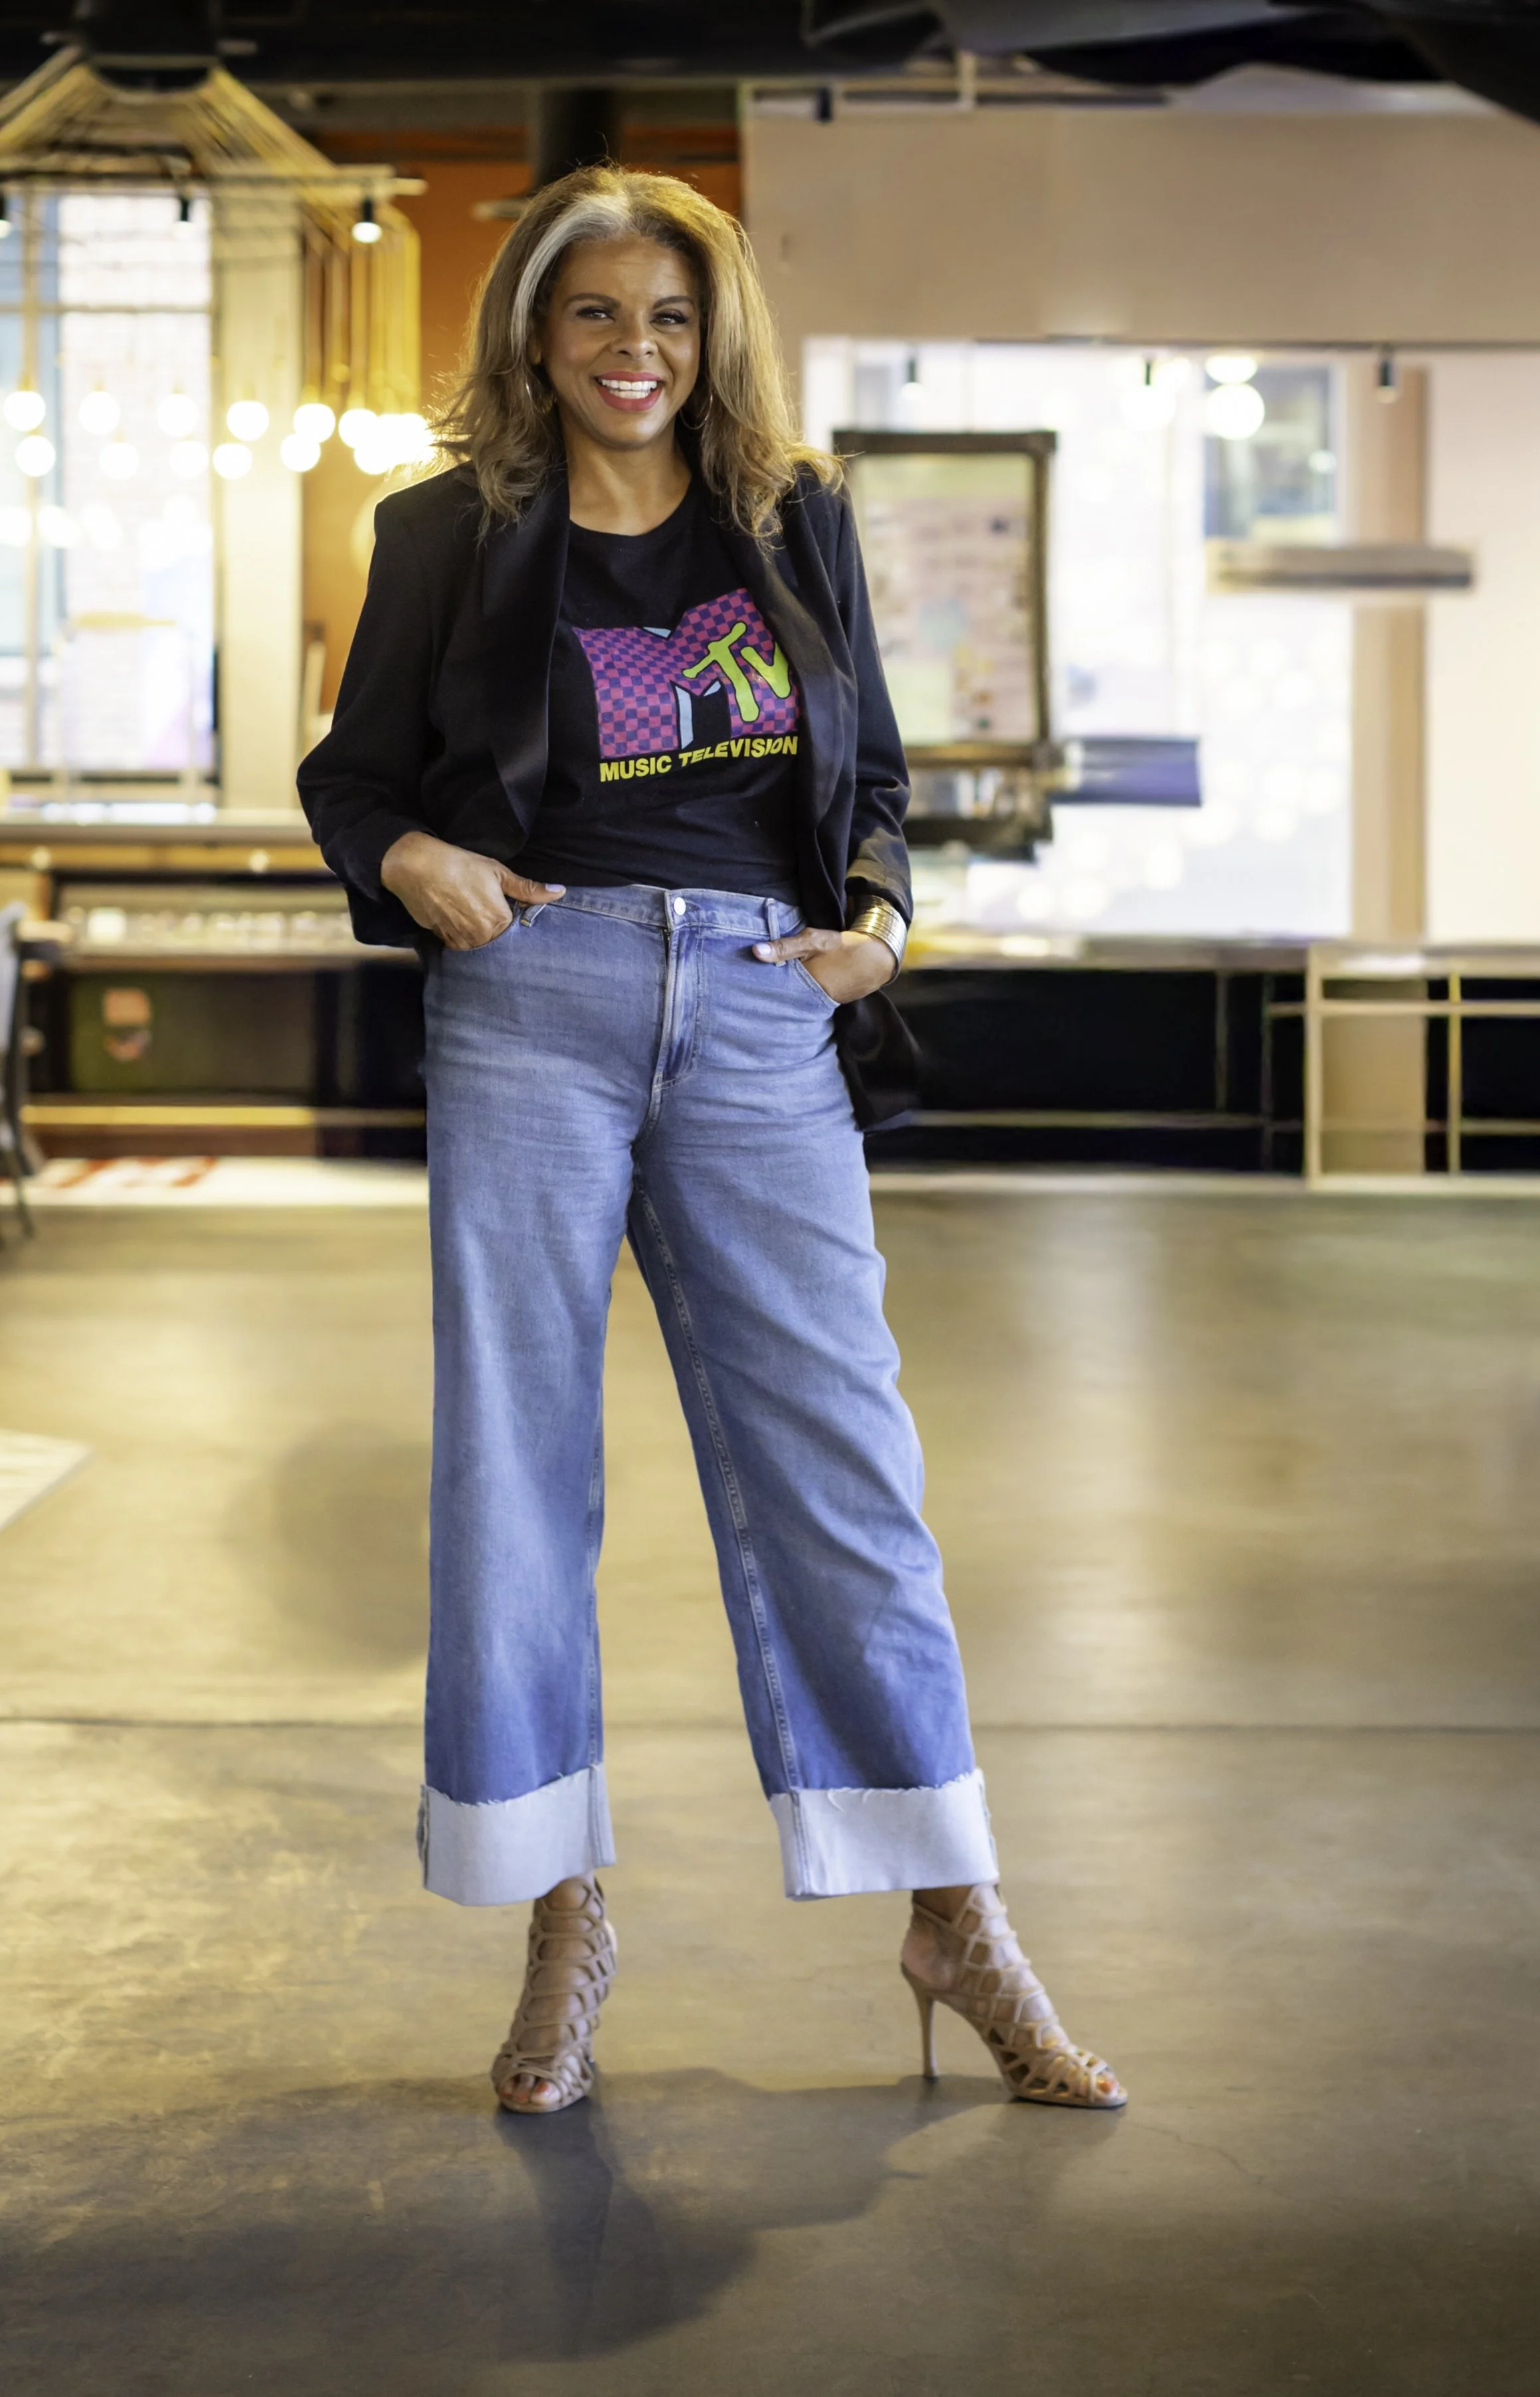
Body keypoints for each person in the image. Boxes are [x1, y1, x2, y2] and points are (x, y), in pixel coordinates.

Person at [298, 165, 1125, 2118]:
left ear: (712, 334)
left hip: (763, 1009)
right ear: (535, 329)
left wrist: (882, 916)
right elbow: (352, 782)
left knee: (845, 1463)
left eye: (669, 318)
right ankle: (563, 1908)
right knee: (522, 1469)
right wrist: (411, 854)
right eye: (597, 316)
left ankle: (952, 1906)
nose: (635, 354)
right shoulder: (443, 533)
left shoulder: (791, 522)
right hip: (535, 999)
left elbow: (883, 784)